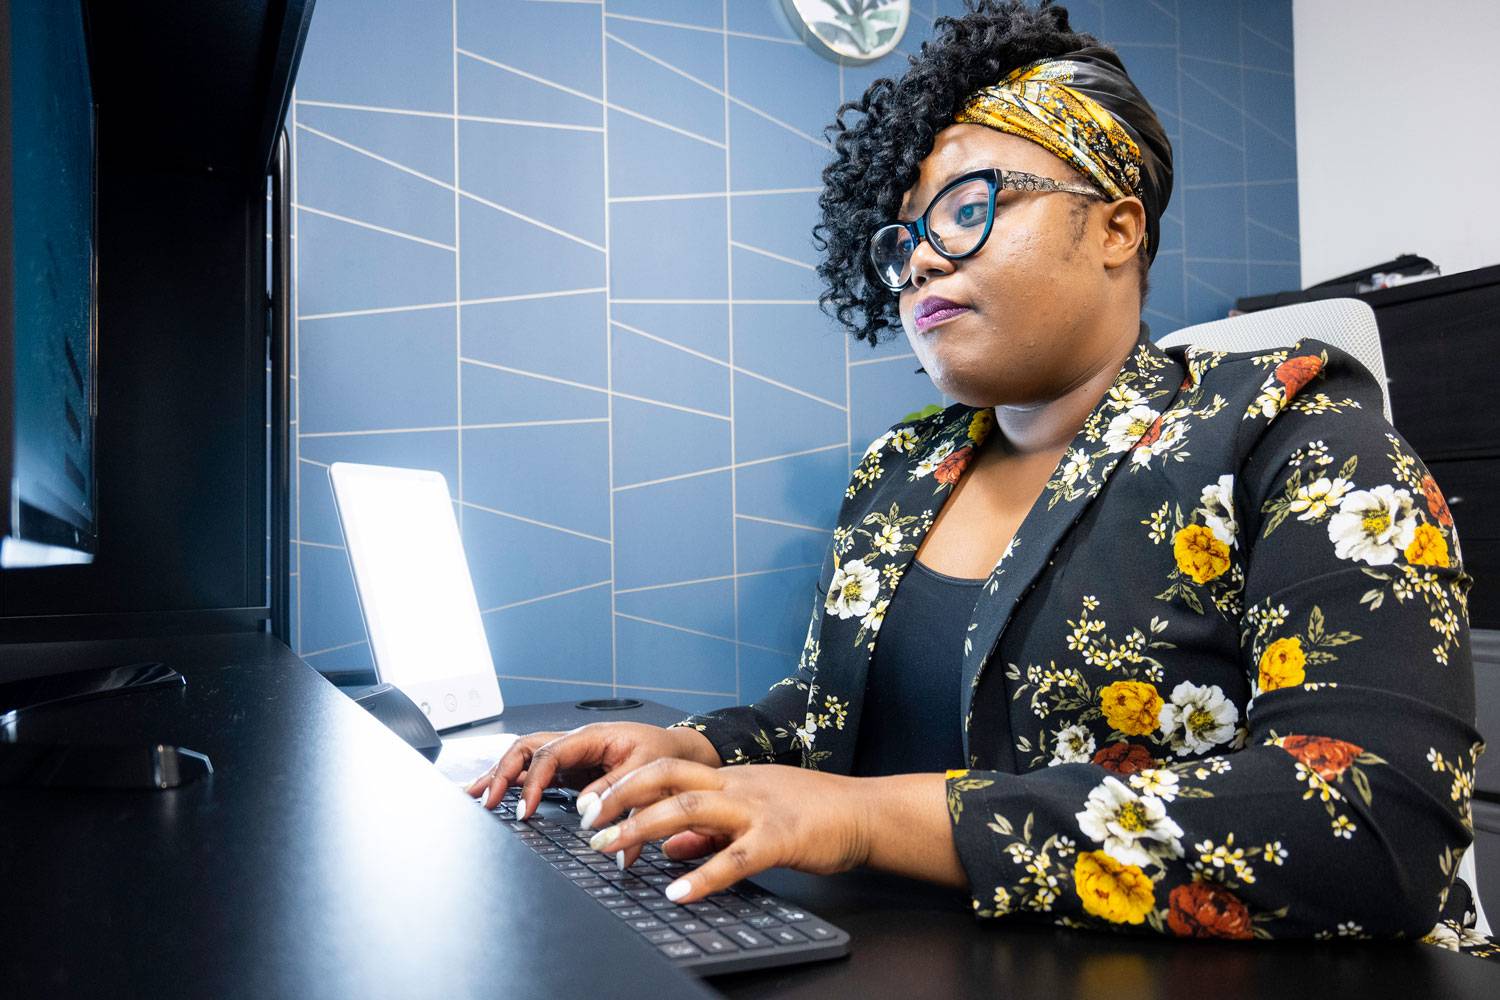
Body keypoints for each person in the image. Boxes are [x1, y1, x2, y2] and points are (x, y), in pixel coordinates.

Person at [467, 0, 1495, 960]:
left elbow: (1376, 819)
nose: (920, 261)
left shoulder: (1293, 432)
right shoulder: (903, 469)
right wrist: (692, 751)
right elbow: (829, 719)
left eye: (964, 210)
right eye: (905, 236)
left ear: (1116, 227)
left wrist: (868, 818)